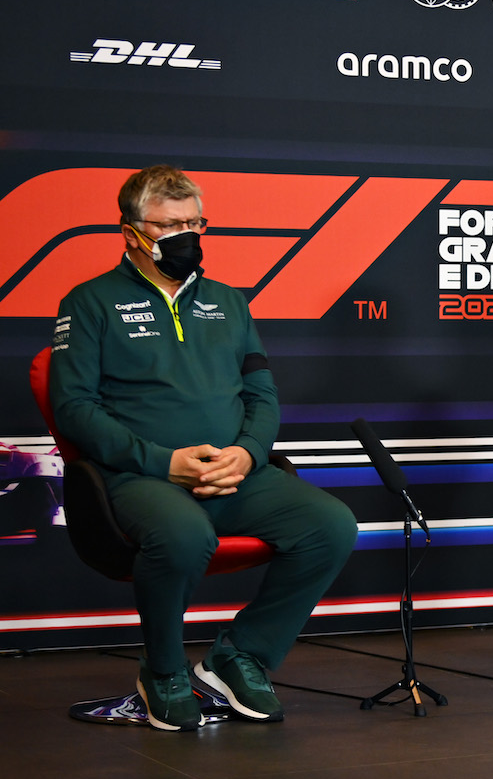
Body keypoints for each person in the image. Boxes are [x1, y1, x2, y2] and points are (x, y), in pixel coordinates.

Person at [48, 165, 357, 731]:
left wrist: (248, 453)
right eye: (167, 225)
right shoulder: (90, 302)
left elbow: (261, 392)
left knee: (331, 525)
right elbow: (74, 409)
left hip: (233, 471)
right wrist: (165, 462)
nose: (183, 236)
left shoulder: (228, 302)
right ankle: (161, 672)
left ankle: (239, 656)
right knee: (185, 536)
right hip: (142, 477)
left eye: (193, 223)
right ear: (131, 232)